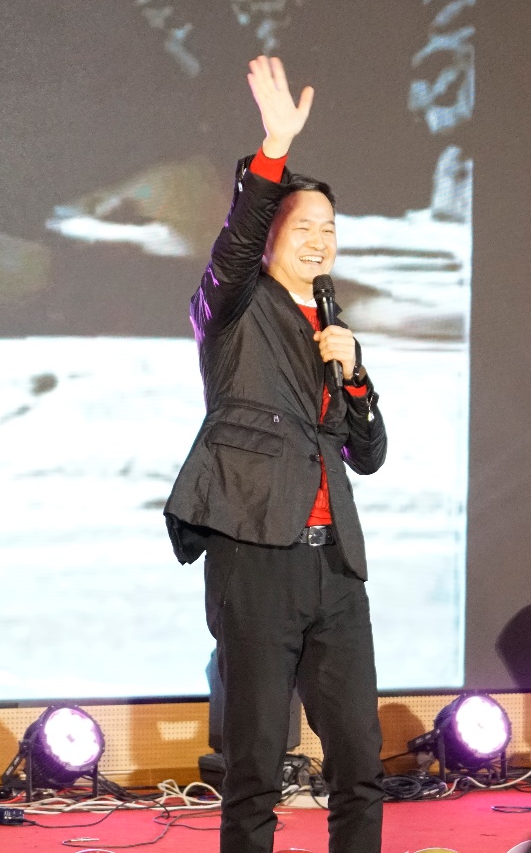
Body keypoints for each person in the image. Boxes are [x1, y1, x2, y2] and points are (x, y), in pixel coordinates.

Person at [164, 55, 388, 853]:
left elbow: (369, 454)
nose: (321, 241)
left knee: (360, 762)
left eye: (330, 229)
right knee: (257, 765)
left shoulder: (334, 325)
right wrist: (274, 150)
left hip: (335, 568)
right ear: (270, 238)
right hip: (257, 554)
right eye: (304, 227)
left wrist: (353, 377)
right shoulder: (233, 309)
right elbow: (236, 242)